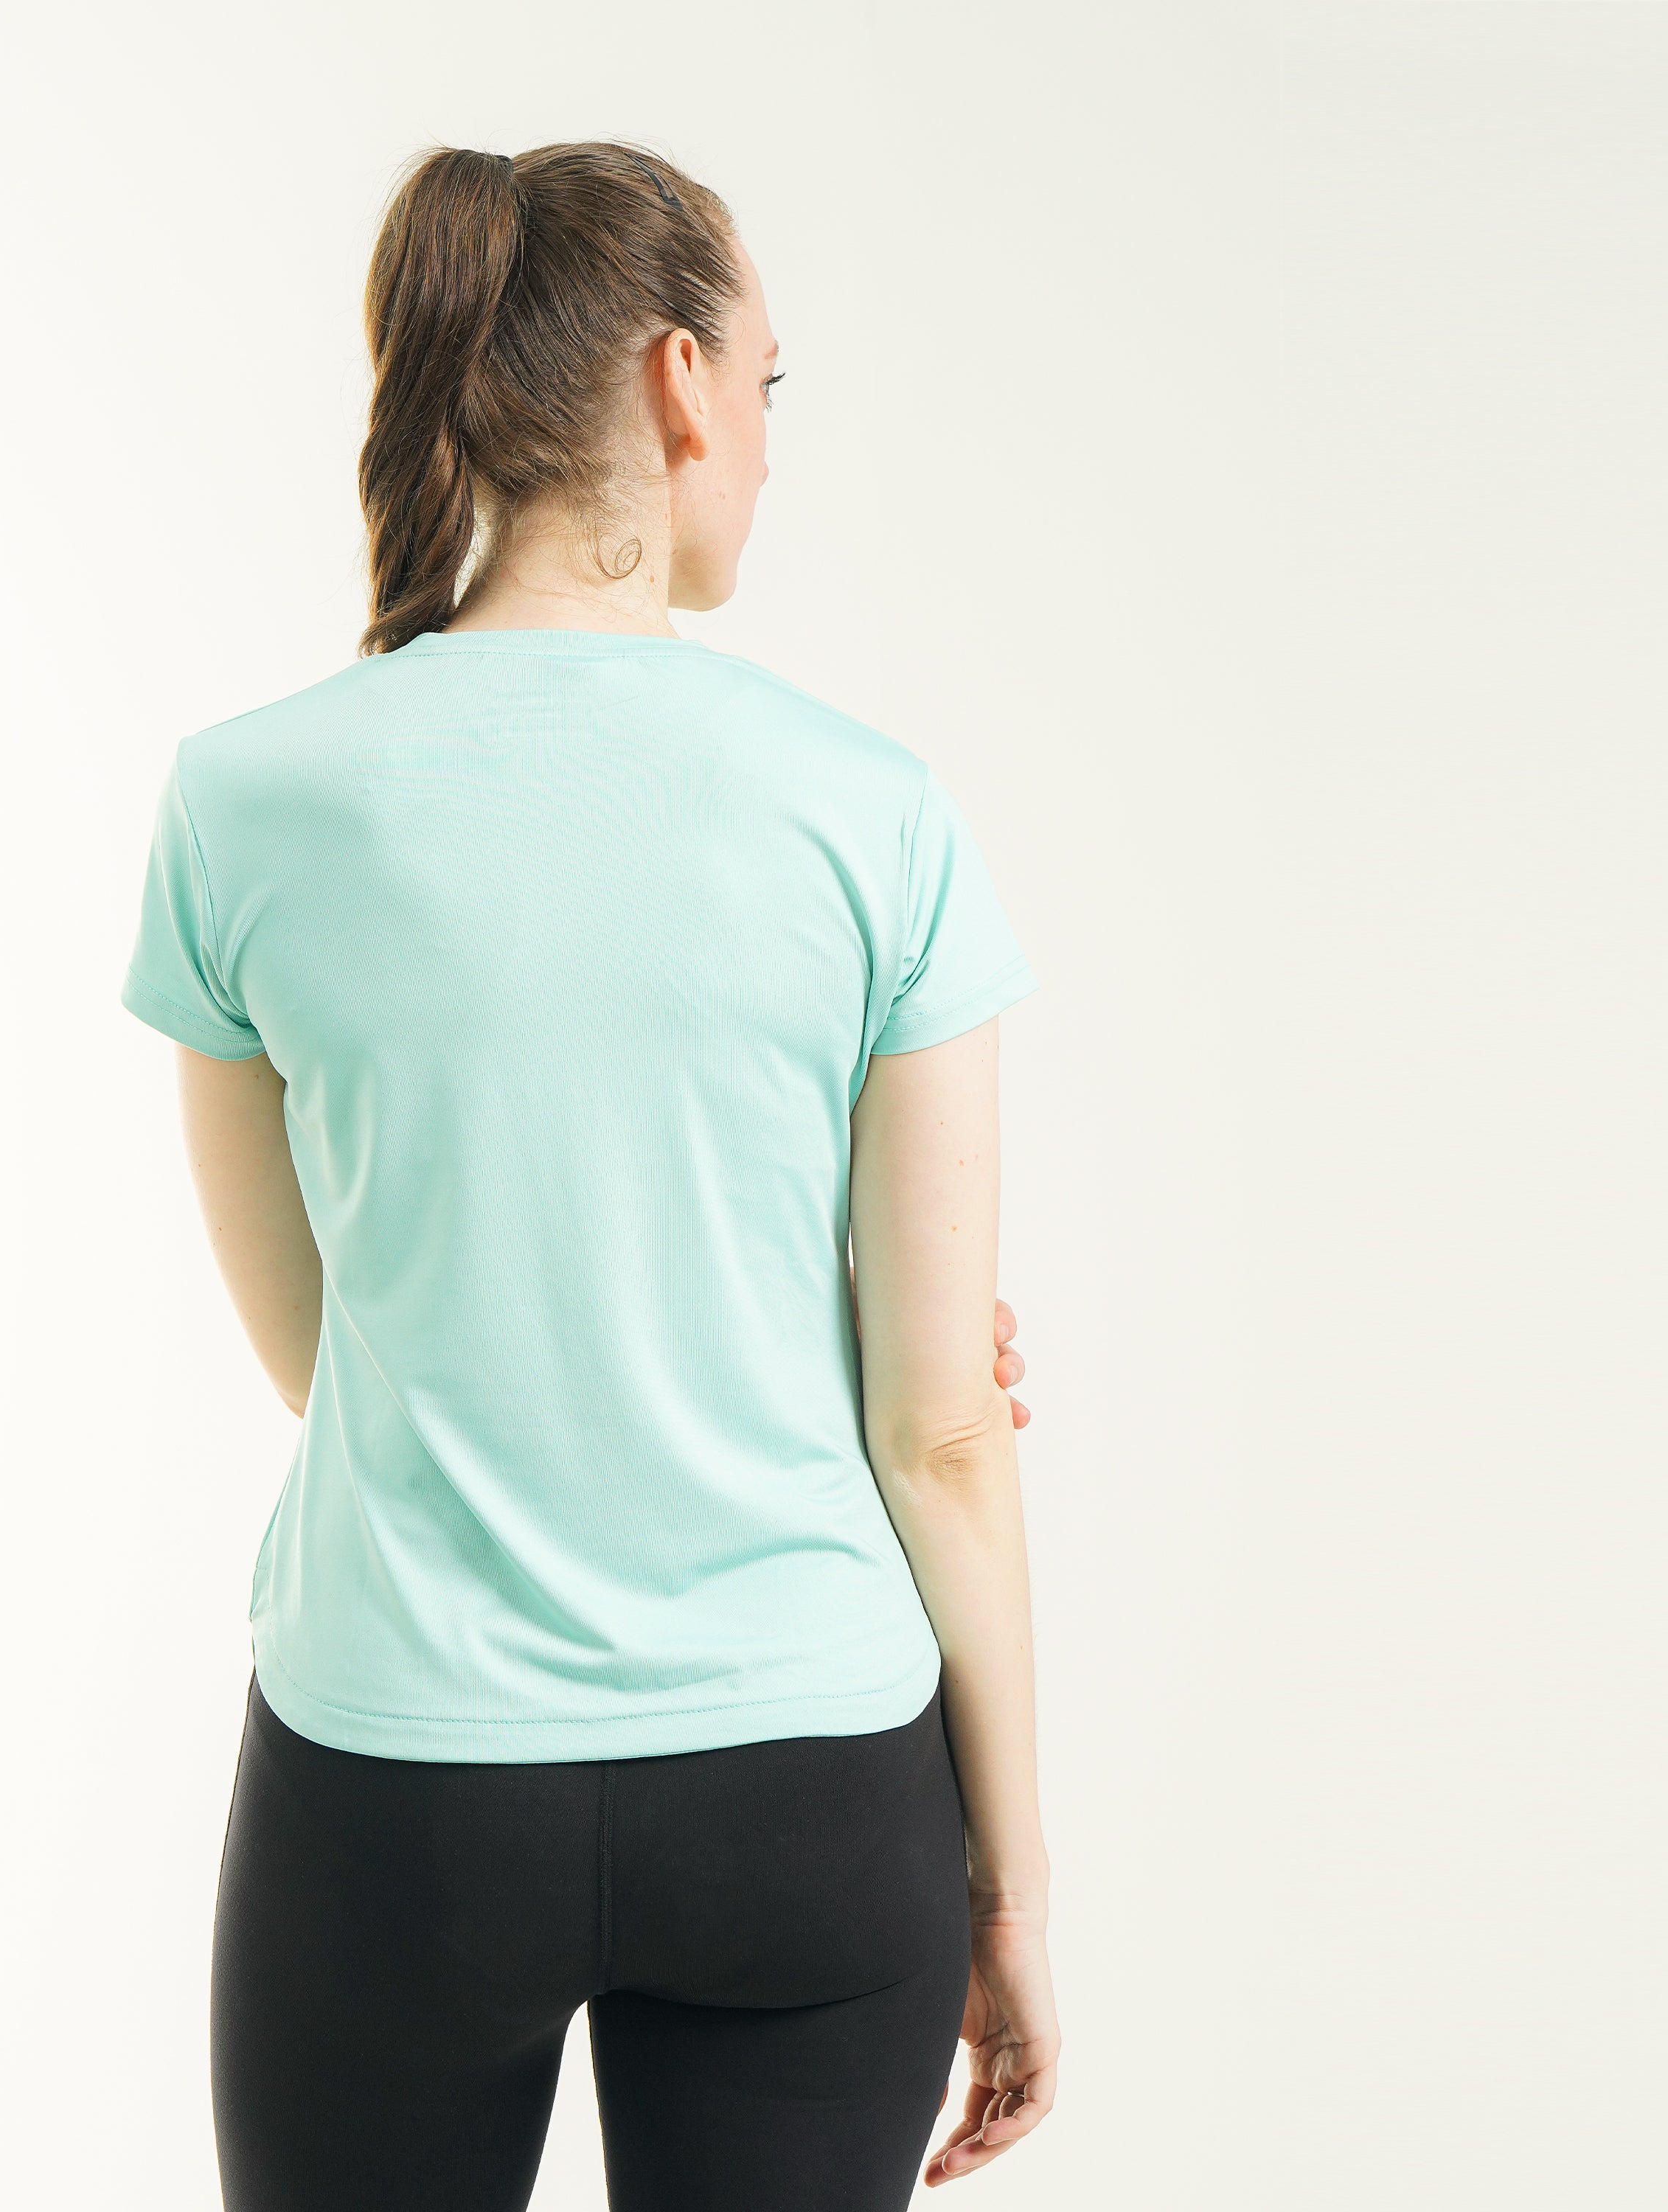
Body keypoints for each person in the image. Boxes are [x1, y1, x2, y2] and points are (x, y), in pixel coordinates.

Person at [121, 140, 1059, 2210]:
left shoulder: (244, 803)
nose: (771, 447)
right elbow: (942, 1436)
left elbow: (333, 1347)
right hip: (814, 1797)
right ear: (677, 381)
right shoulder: (876, 817)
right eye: (770, 386)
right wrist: (1014, 1888)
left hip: (399, 1797)